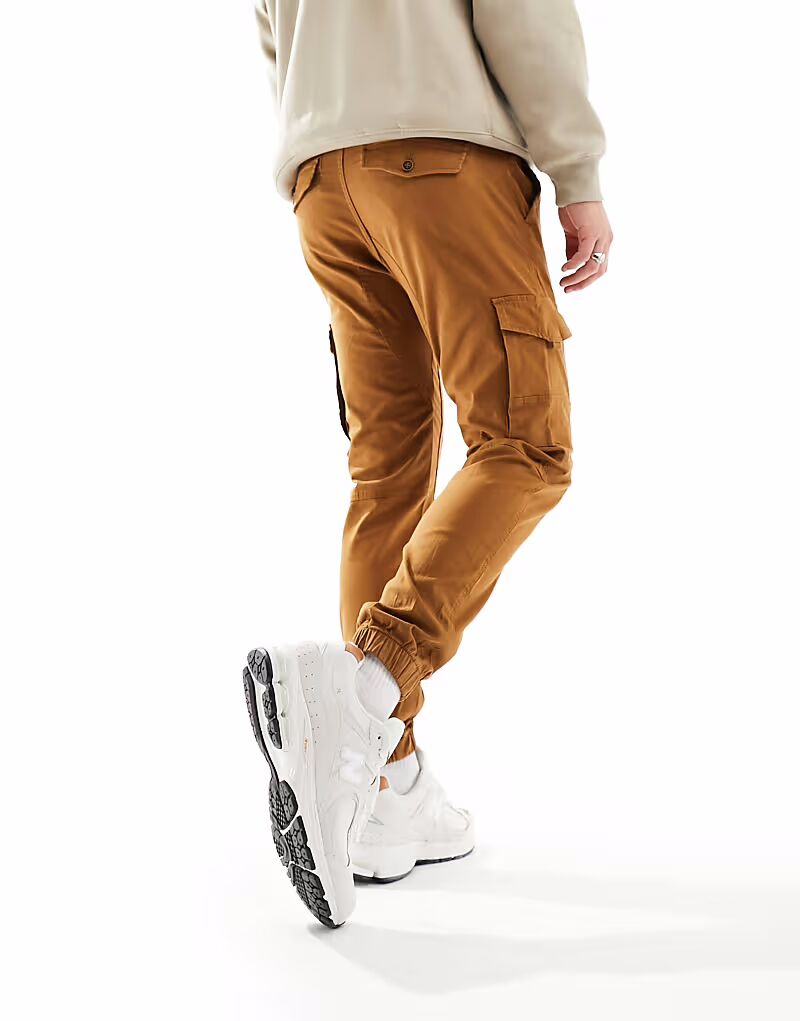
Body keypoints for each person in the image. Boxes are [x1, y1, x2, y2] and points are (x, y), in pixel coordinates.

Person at [243, 0, 612, 928]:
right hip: (441, 160)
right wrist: (577, 171)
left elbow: (270, 28)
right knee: (527, 443)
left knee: (389, 468)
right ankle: (366, 691)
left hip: (323, 182)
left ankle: (386, 791)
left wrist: (321, 127)